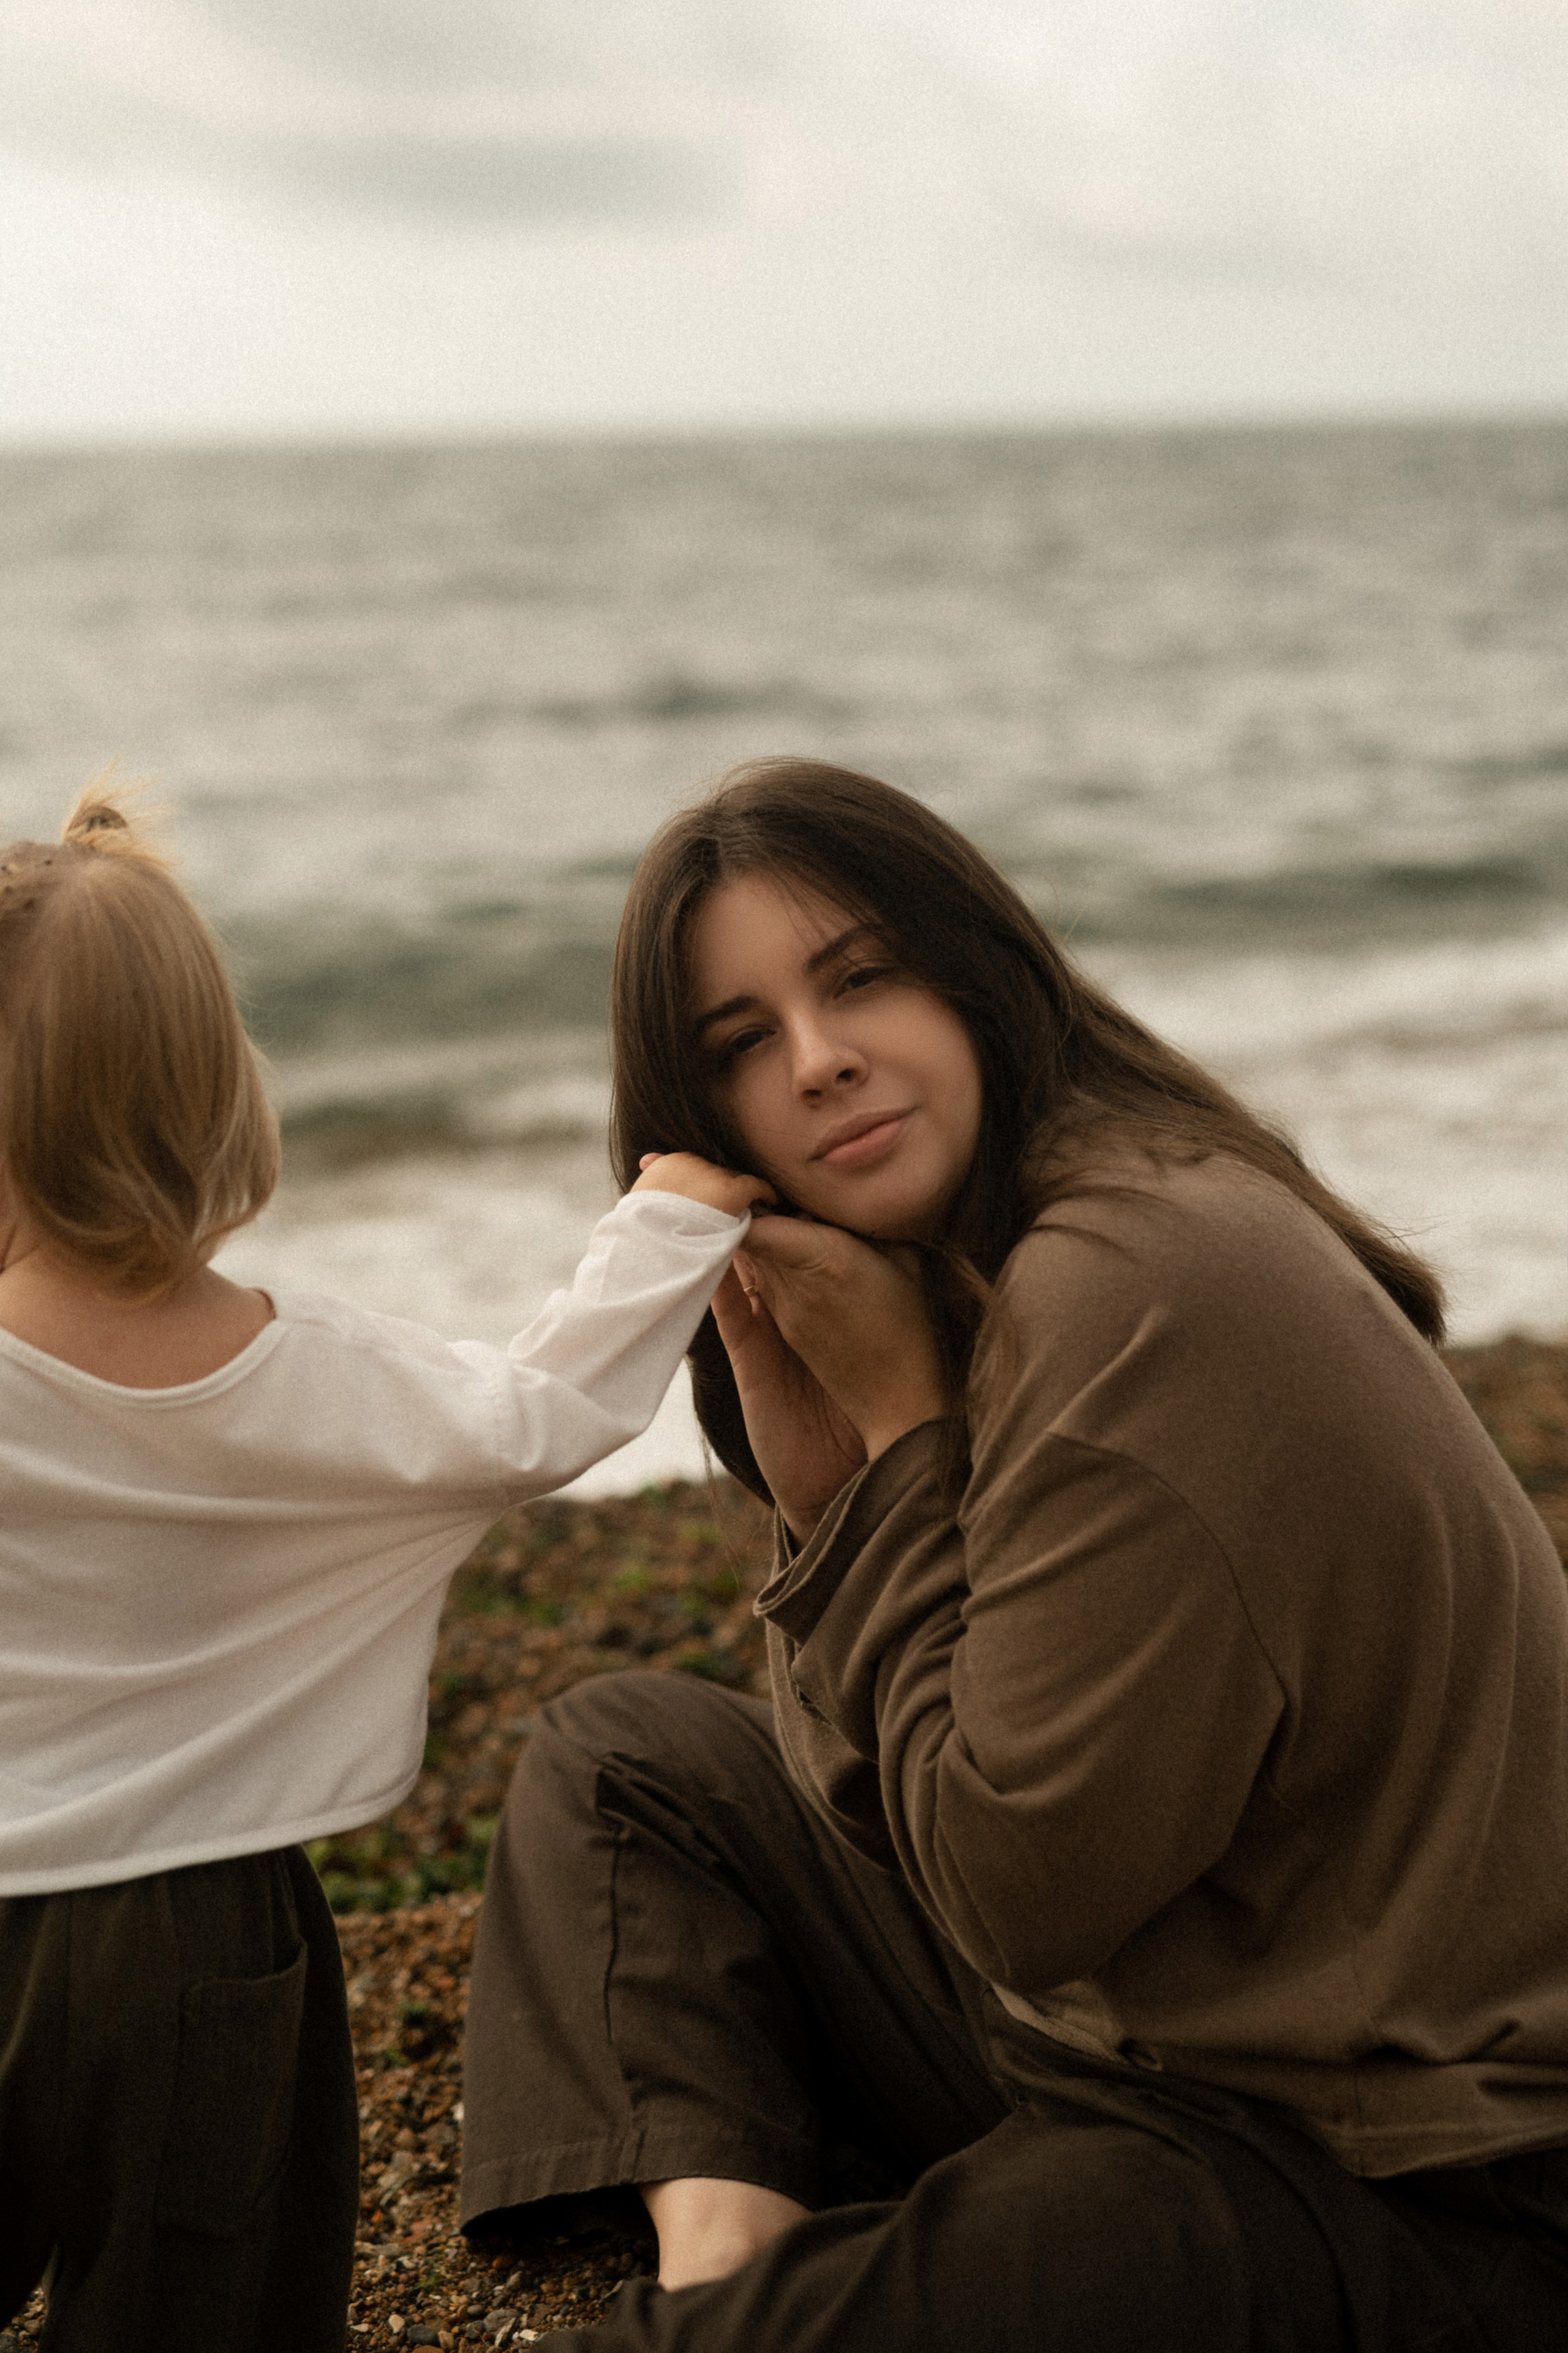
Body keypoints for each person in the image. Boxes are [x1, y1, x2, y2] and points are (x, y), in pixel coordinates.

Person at [461, 758, 1568, 2351]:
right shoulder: (993, 1249)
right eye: (743, 1043)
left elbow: (1008, 1893)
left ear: (970, 968)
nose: (822, 1061)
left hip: (1407, 2161)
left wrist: (901, 1456)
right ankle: (724, 2249)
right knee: (625, 1760)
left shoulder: (1128, 1286)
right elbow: (887, 1815)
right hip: (1136, 2026)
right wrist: (832, 1498)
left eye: (859, 978)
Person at [0, 790, 772, 2353]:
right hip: (205, 1932)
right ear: (220, 1093)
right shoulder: (300, 1374)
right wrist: (669, 1219)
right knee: (202, 2305)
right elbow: (531, 1419)